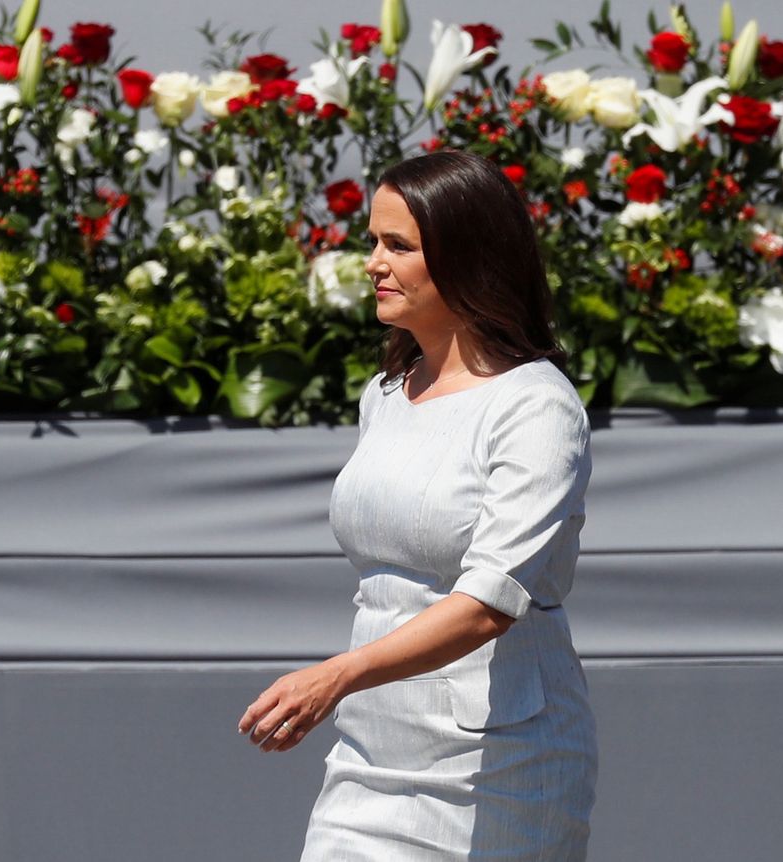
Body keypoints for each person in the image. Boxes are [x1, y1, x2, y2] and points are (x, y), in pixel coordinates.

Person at [237, 150, 597, 860]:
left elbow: (492, 600)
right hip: (369, 751)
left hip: (499, 763)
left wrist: (336, 675)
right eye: (372, 240)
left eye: (398, 245)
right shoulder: (386, 395)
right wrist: (351, 690)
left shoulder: (536, 405)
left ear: (468, 259)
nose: (373, 262)